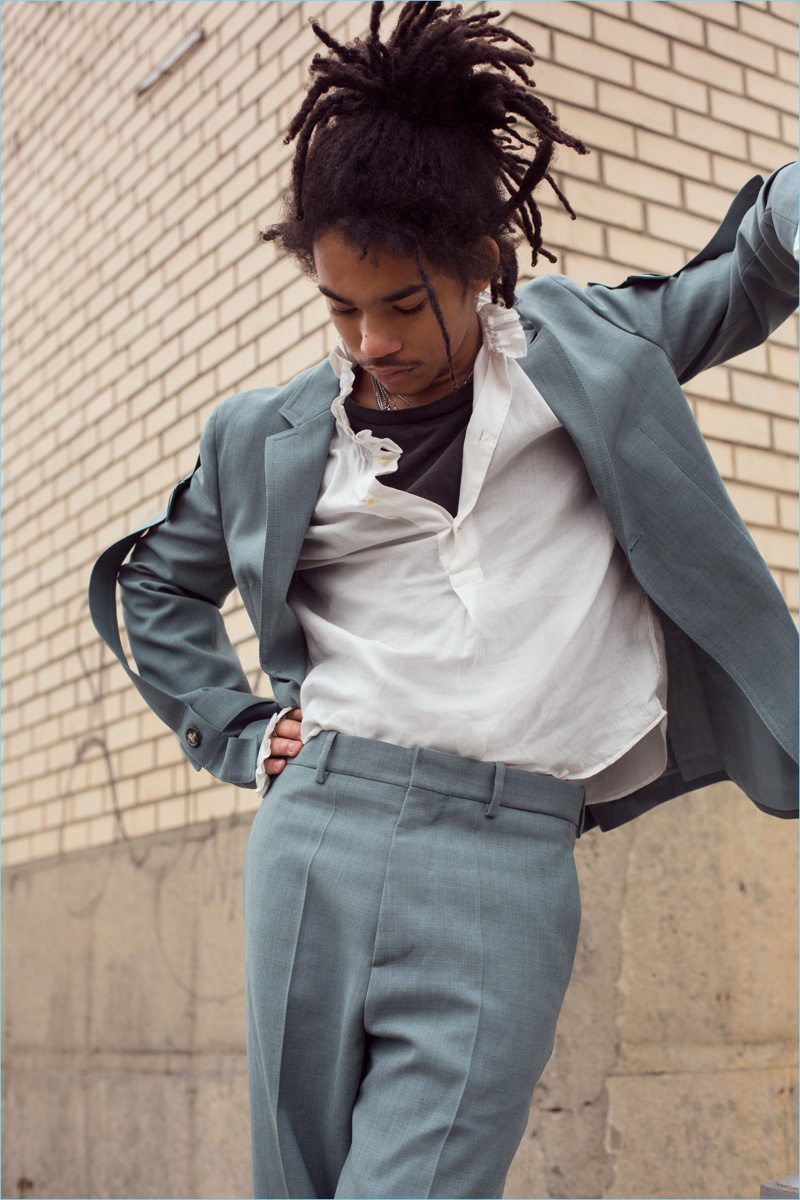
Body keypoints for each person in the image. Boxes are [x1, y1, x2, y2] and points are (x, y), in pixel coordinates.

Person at [89, 4, 799, 1198]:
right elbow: (157, 582)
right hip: (316, 831)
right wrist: (240, 730)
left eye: (403, 305)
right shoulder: (267, 436)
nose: (370, 340)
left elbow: (740, 282)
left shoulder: (583, 353)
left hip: (506, 857)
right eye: (339, 306)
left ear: (477, 262)